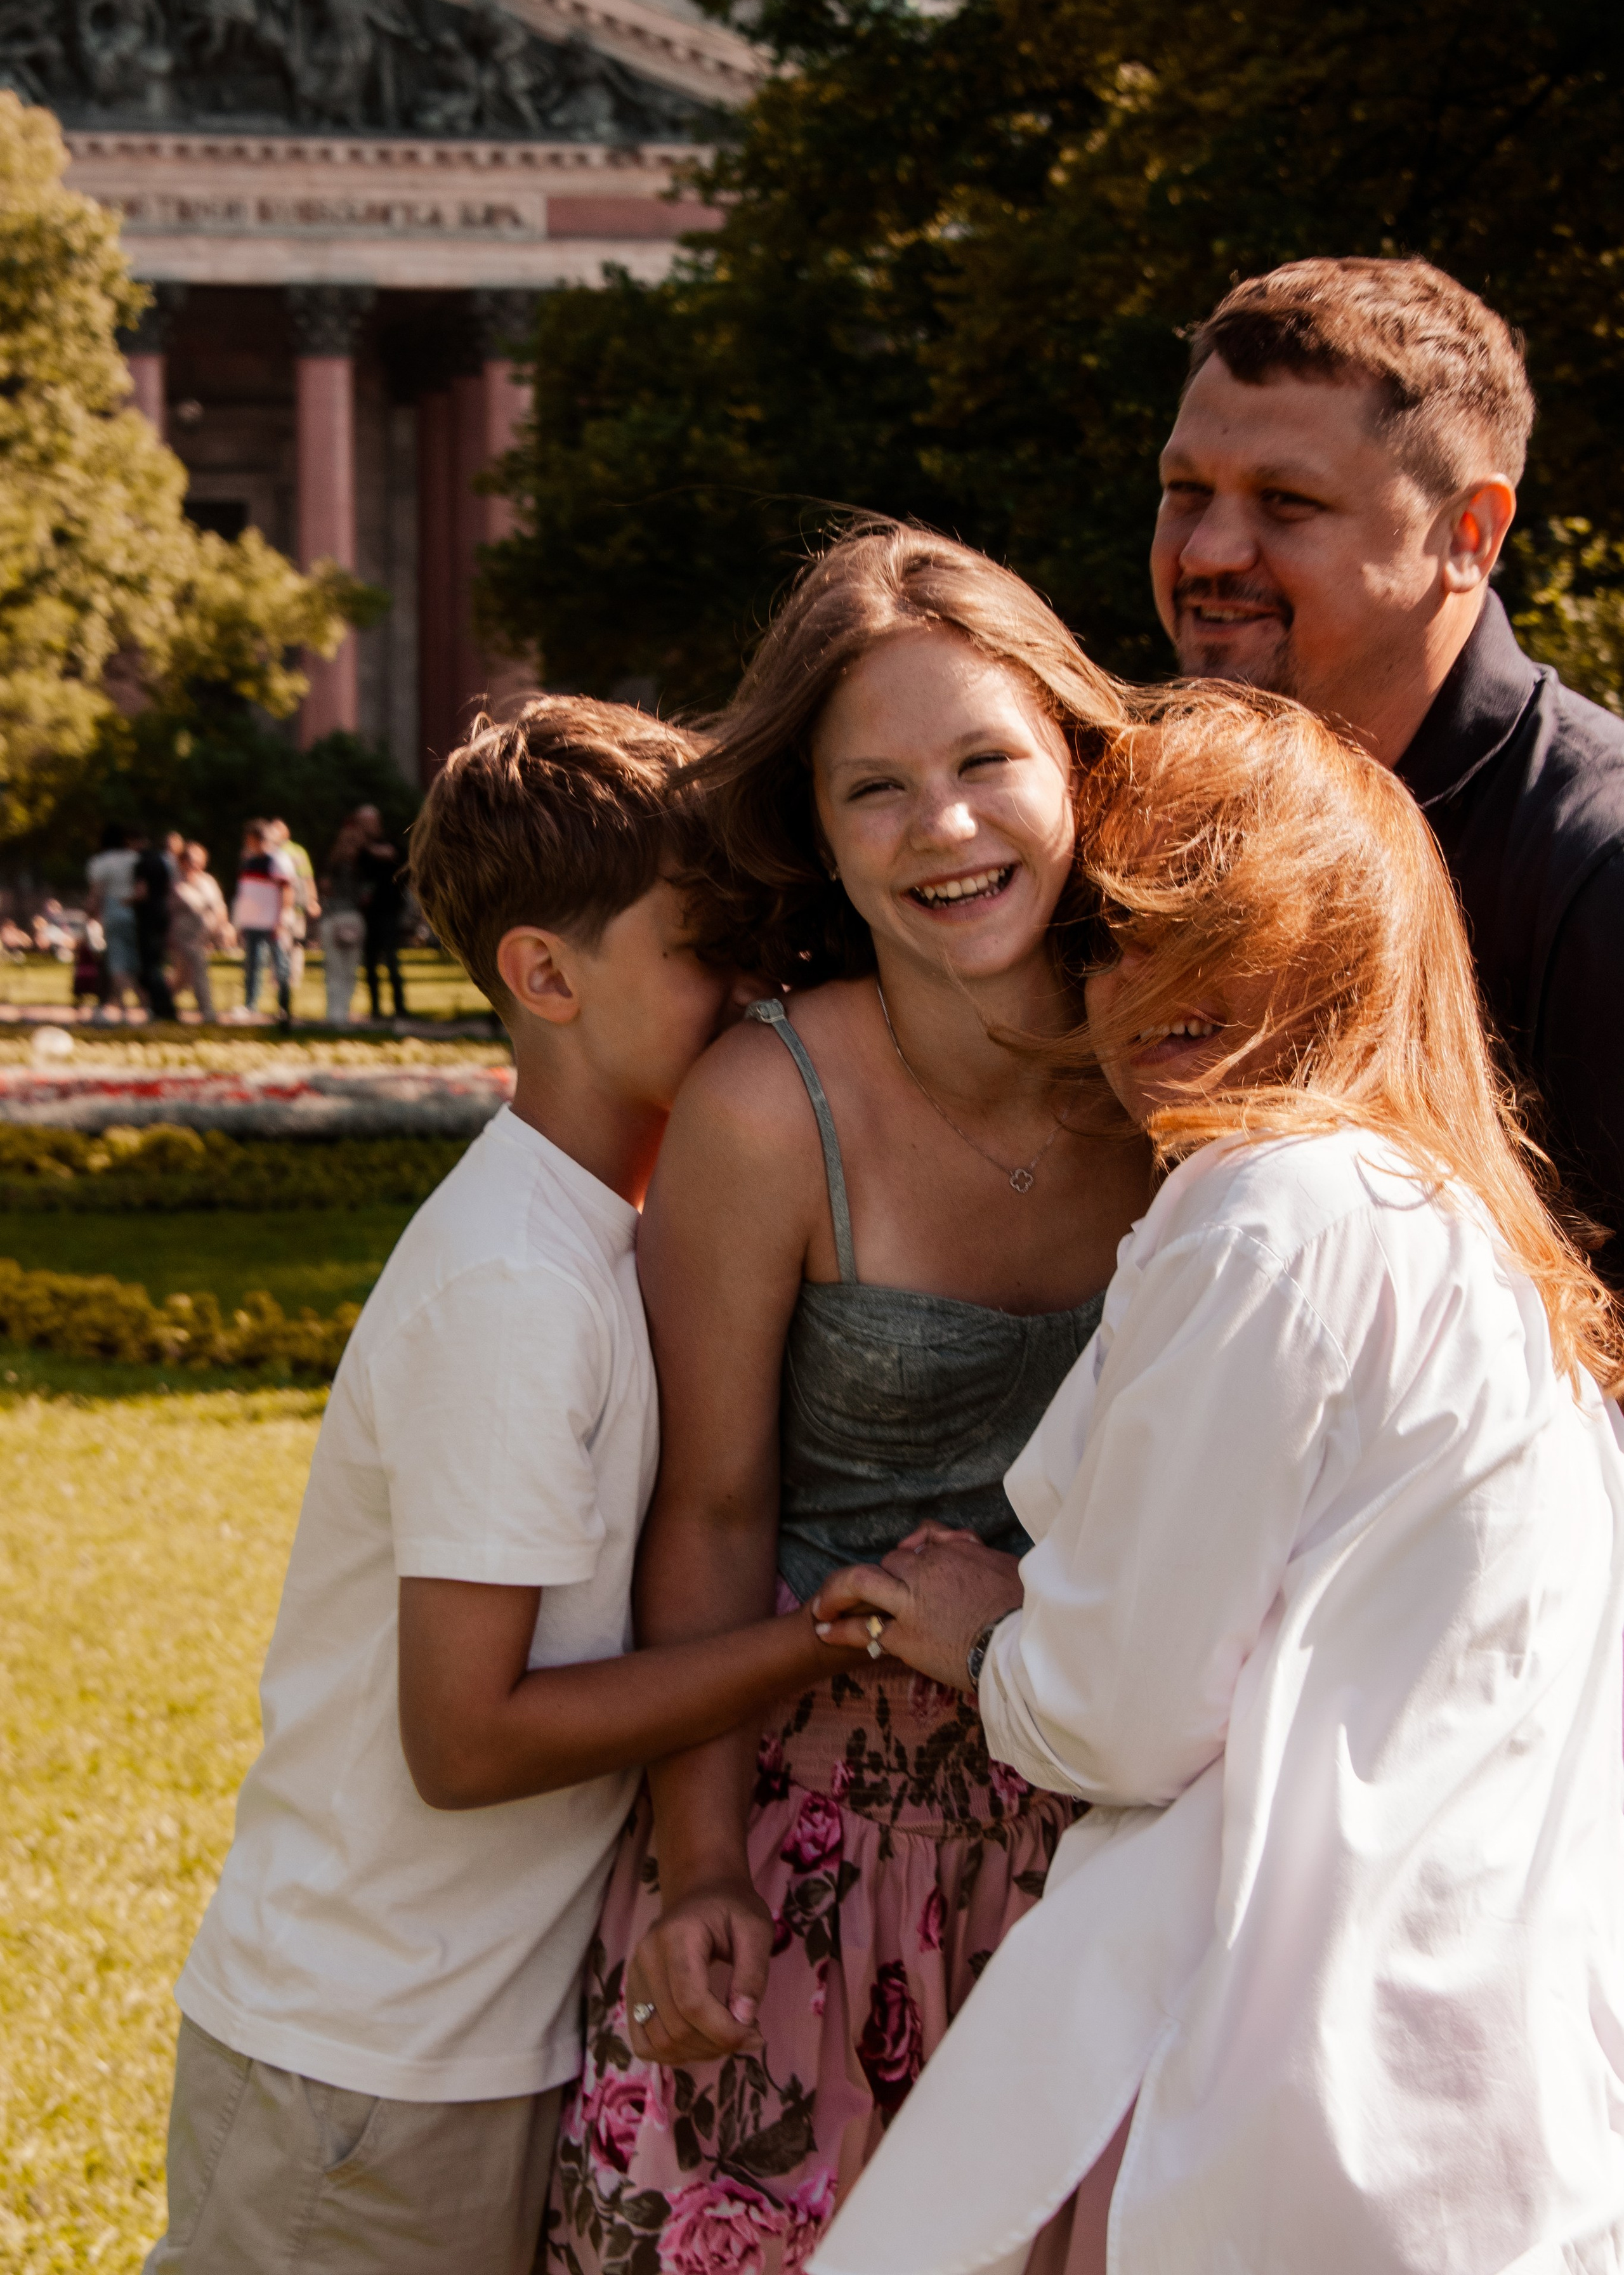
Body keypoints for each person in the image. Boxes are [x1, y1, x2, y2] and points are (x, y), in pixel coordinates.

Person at [808, 688, 1624, 2275]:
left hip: (1289, 2067)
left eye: (1219, 918)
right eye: (1111, 929)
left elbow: (1124, 1705)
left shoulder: (1270, 1206)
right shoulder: (1470, 1230)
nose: (1149, 978)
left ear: (1339, 934)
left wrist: (982, 1636)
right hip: (1483, 2071)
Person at [143, 698, 853, 2275]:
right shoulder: (515, 1287)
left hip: (442, 2036)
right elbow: (464, 1736)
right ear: (543, 973)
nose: (752, 987)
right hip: (367, 2064)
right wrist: (833, 1638)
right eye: (704, 944)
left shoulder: (596, 1231)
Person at [548, 525, 1153, 2273]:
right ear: (818, 832)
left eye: (985, 763)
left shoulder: (1182, 1065)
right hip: (824, 1832)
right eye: (874, 789)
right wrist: (703, 1864)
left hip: (1110, 1825)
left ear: (1076, 767)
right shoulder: (765, 1108)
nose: (944, 828)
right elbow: (714, 1510)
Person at [1151, 254, 1624, 1280]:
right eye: (1186, 492)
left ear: (1470, 534)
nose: (1208, 551)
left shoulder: (1598, 867)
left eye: (1286, 502)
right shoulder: (1148, 815)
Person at [231, 819, 294, 1025]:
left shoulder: (277, 860)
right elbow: (246, 893)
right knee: (253, 964)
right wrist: (241, 921)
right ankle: (251, 1004)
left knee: (280, 965)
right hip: (253, 922)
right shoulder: (250, 861)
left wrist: (283, 917)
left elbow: (287, 889)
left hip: (272, 921)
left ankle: (284, 1007)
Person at [355, 803, 409, 1022]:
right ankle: (375, 1008)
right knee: (369, 962)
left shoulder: (389, 841)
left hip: (388, 909)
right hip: (364, 913)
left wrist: (367, 847)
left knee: (391, 958)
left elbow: (395, 856)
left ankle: (399, 1007)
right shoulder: (355, 846)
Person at [167, 843, 232, 1025]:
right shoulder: (175, 883)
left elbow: (220, 907)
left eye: (199, 860)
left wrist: (223, 928)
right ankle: (208, 1011)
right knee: (198, 968)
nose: (195, 864)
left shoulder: (208, 881)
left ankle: (160, 1002)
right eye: (191, 860)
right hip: (183, 936)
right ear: (182, 861)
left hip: (204, 936)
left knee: (184, 978)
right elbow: (170, 910)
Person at [84, 820, 141, 1018]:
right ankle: (141, 1003)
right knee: (133, 959)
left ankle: (125, 1007)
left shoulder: (101, 862)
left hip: (113, 911)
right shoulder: (136, 859)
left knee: (116, 961)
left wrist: (90, 914)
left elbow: (96, 893)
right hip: (136, 912)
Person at [317, 811, 369, 1025]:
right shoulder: (361, 869)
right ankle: (340, 1013)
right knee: (347, 970)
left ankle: (336, 1013)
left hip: (335, 919)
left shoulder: (330, 866)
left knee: (336, 969)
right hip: (350, 918)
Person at [265, 816, 320, 993]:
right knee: (278, 942)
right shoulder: (266, 852)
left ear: (286, 833)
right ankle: (277, 979)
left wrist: (312, 901)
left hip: (295, 906)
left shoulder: (296, 852)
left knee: (296, 943)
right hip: (273, 906)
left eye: (277, 830)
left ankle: (293, 978)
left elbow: (307, 878)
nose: (273, 834)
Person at [130, 826, 178, 1022]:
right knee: (157, 962)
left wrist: (124, 901)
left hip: (147, 917)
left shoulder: (141, 863)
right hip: (162, 914)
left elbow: (141, 892)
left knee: (150, 966)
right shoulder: (162, 861)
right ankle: (162, 1007)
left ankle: (163, 1007)